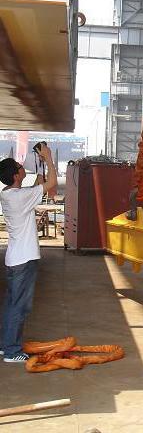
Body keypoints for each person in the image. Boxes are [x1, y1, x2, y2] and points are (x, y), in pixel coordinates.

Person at [0, 144, 57, 362]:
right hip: (24, 260)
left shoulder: (9, 194)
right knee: (20, 307)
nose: (22, 167)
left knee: (11, 304)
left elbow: (36, 188)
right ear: (16, 176)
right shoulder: (19, 197)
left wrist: (39, 173)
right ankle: (12, 352)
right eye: (19, 166)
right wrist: (48, 157)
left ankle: (5, 345)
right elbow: (51, 183)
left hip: (15, 259)